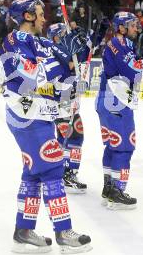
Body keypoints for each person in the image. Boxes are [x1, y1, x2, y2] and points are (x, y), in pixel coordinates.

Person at [0, 0, 92, 253]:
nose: (43, 18)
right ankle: (63, 232)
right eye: (39, 14)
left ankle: (24, 231)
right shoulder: (13, 41)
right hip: (26, 116)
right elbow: (29, 77)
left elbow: (68, 67)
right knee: (52, 168)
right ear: (28, 16)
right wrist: (59, 62)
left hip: (42, 115)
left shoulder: (41, 42)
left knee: (33, 173)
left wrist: (79, 47)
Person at [96, 12, 143, 210]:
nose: (137, 28)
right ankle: (117, 191)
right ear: (121, 27)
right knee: (124, 147)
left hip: (109, 100)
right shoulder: (118, 45)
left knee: (112, 146)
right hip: (116, 100)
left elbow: (132, 64)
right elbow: (136, 71)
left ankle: (109, 189)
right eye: (133, 25)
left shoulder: (122, 44)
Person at [47, 23, 89, 194]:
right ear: (56, 36)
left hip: (69, 101)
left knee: (70, 138)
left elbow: (82, 58)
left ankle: (66, 172)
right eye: (64, 33)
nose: (66, 36)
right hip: (61, 101)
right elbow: (71, 65)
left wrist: (83, 40)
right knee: (71, 138)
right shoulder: (54, 49)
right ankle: (65, 174)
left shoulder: (65, 48)